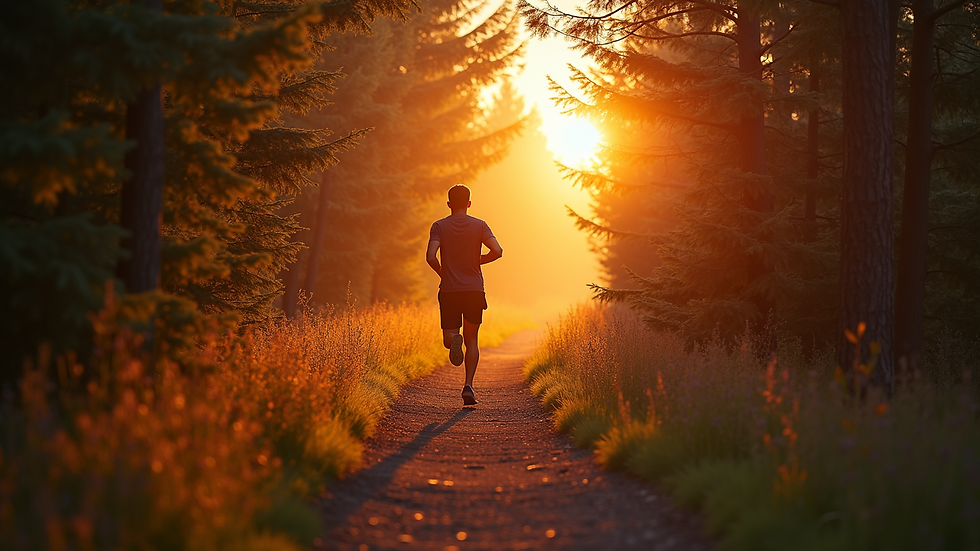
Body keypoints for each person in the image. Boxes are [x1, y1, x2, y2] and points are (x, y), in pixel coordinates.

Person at [426, 184, 503, 405]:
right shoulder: (480, 226)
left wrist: (443, 272)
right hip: (474, 291)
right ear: (469, 203)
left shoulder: (438, 227)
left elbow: (431, 256)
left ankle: (453, 340)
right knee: (472, 340)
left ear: (449, 204)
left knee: (448, 338)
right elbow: (497, 251)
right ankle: (468, 386)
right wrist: (480, 260)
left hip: (449, 290)